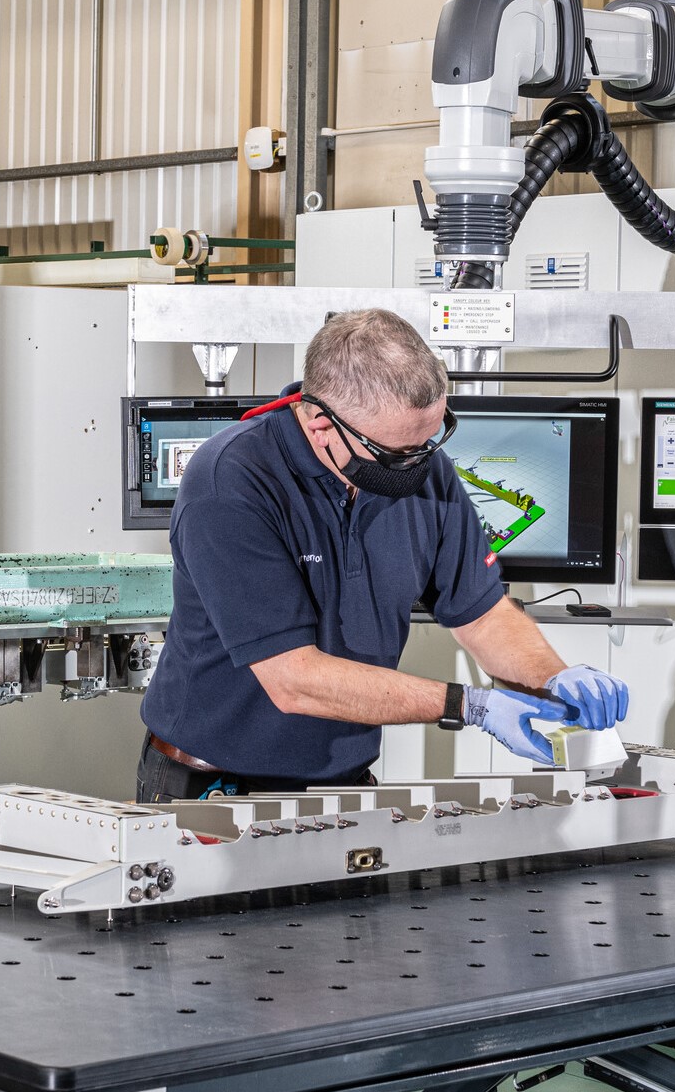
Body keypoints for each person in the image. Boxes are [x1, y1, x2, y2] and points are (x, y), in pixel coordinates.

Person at [137, 307, 629, 801]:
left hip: (345, 782)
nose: (417, 464)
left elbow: (481, 614)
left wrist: (554, 676)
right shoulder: (231, 482)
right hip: (215, 787)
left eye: (430, 439)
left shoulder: (423, 469)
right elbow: (294, 679)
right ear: (320, 425)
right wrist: (469, 705)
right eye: (396, 452)